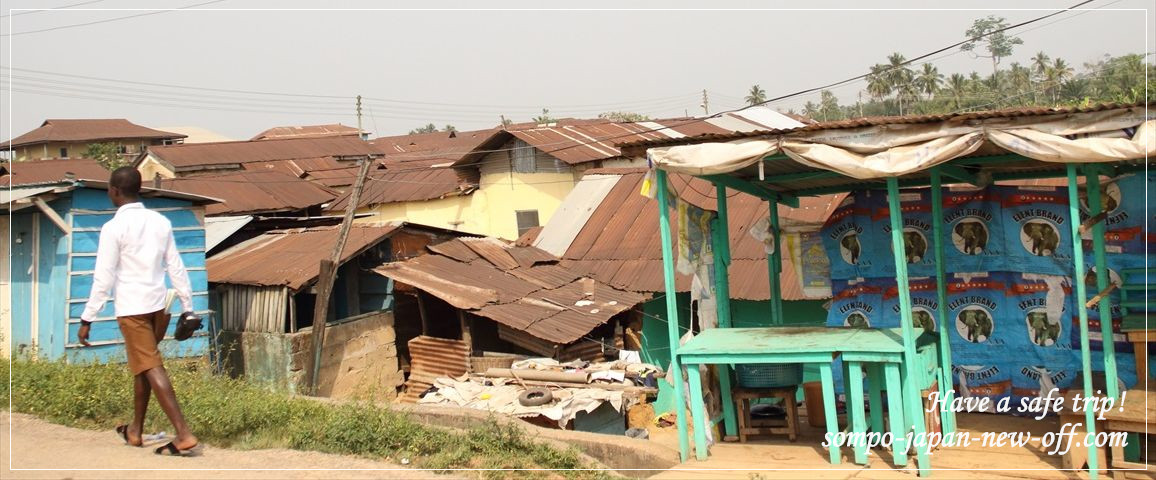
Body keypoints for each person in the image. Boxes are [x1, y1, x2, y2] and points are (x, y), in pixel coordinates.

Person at [78, 167, 202, 457]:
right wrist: (188, 307)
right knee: (142, 366)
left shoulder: (113, 228)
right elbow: (176, 266)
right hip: (159, 307)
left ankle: (183, 434)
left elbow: (103, 277)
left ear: (115, 191)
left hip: (133, 310)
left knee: (151, 365)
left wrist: (87, 318)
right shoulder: (160, 222)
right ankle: (135, 429)